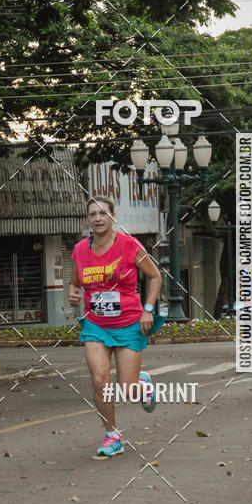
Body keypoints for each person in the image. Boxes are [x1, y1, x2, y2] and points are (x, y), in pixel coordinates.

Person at [69, 196, 163, 457]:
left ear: (112, 217)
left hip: (129, 323)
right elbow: (75, 282)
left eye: (102, 213)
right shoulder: (79, 250)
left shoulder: (130, 245)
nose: (97, 218)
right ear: (88, 220)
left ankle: (141, 385)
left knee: (128, 390)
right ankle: (112, 435)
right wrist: (74, 293)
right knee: (100, 382)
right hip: (95, 324)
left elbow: (155, 277)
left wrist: (149, 309)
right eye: (92, 214)